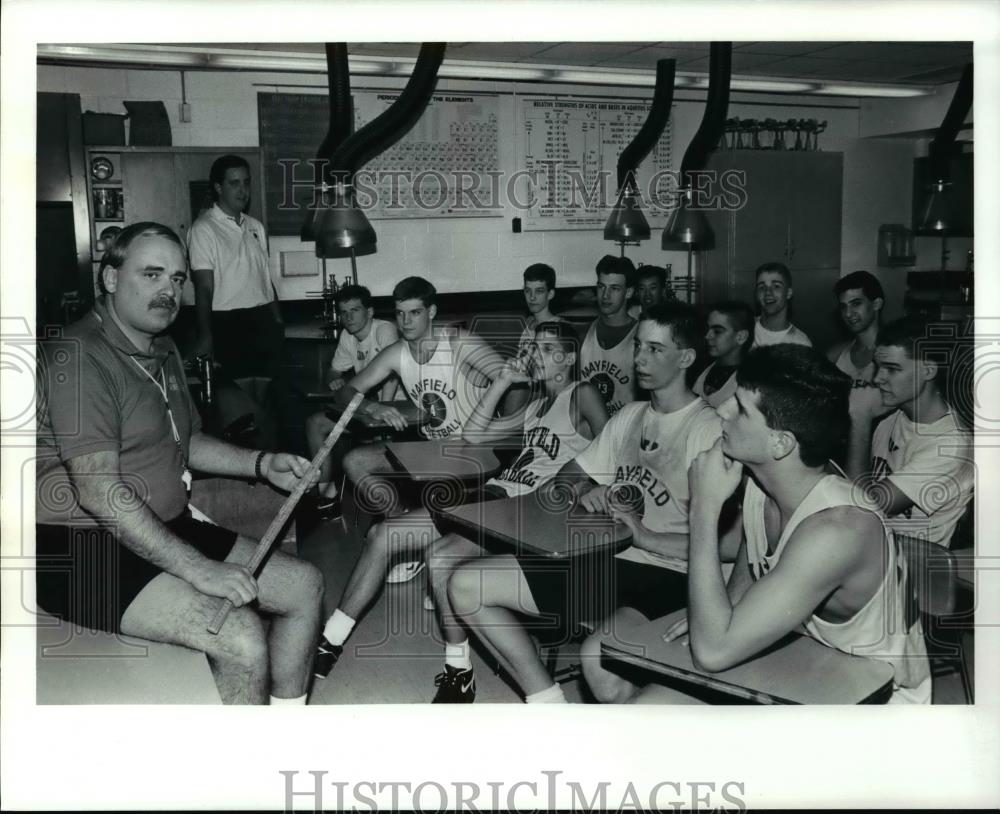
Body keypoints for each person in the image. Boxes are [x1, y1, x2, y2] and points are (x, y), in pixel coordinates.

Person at [34, 223, 324, 705]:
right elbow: (98, 491)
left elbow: (184, 443)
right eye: (151, 275)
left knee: (304, 585)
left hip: (163, 523)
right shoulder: (79, 356)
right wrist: (200, 570)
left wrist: (262, 463)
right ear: (110, 279)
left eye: (176, 278)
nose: (168, 291)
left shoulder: (163, 348)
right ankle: (244, 777)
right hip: (81, 547)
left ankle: (281, 737)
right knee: (240, 636)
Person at [583, 345, 931, 704]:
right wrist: (724, 614)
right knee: (642, 705)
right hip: (806, 655)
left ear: (780, 443)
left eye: (741, 409)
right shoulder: (762, 481)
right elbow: (750, 566)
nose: (721, 409)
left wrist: (703, 508)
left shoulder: (839, 530)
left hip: (875, 699)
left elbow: (714, 653)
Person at [447, 304, 725, 704]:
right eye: (638, 347)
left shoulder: (708, 430)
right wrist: (584, 491)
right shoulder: (629, 416)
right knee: (465, 584)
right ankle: (548, 703)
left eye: (655, 349)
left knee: (601, 666)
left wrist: (643, 536)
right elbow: (567, 476)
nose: (640, 359)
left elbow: (727, 548)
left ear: (685, 358)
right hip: (607, 558)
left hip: (670, 576)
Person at [313, 322, 608, 696]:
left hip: (525, 511)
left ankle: (458, 671)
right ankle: (330, 640)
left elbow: (614, 449)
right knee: (382, 534)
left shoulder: (581, 394)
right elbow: (473, 436)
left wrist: (589, 491)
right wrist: (501, 382)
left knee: (438, 558)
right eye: (533, 346)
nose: (534, 354)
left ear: (568, 358)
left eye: (547, 349)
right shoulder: (535, 406)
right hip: (495, 495)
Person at [330, 276, 505, 579]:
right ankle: (403, 532)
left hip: (474, 446)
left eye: (414, 313)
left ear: (432, 312)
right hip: (432, 448)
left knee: (452, 511)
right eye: (400, 313)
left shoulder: (459, 343)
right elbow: (345, 392)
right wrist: (374, 406)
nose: (406, 321)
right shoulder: (397, 353)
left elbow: (514, 384)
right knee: (354, 460)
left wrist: (503, 434)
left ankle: (442, 551)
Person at [846, 317, 974, 549]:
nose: (877, 378)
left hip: (914, 568)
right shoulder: (894, 414)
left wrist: (860, 418)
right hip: (873, 550)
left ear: (928, 370)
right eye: (878, 366)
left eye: (892, 369)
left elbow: (859, 511)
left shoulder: (951, 445)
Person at [303, 285, 399, 520]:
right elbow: (333, 371)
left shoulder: (385, 331)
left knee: (371, 451)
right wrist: (335, 380)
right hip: (365, 408)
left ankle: (391, 510)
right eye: (343, 312)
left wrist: (381, 421)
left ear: (370, 312)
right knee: (315, 424)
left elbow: (390, 376)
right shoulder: (347, 336)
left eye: (355, 310)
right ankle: (328, 496)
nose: (348, 317)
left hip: (396, 410)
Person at [188, 155, 283, 382]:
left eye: (246, 182)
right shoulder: (204, 229)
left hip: (262, 321)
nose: (243, 190)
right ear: (218, 187)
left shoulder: (255, 226)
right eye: (234, 183)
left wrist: (278, 321)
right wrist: (205, 336)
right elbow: (203, 288)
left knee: (267, 395)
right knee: (237, 400)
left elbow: (264, 278)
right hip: (228, 324)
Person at [580, 254, 639, 416]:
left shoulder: (641, 336)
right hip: (589, 432)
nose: (605, 295)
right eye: (601, 287)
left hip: (627, 431)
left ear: (628, 292)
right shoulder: (584, 333)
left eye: (614, 288)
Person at [826, 270, 885, 386]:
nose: (848, 313)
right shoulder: (836, 356)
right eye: (843, 307)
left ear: (876, 304)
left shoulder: (897, 355)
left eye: (856, 304)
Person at [692, 301, 754, 408]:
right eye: (708, 329)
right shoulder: (698, 369)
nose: (708, 336)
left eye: (717, 331)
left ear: (741, 337)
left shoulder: (749, 384)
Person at [750, 261, 812, 348]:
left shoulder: (800, 343)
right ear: (756, 294)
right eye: (762, 287)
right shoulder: (744, 329)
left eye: (776, 286)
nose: (768, 292)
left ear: (788, 293)